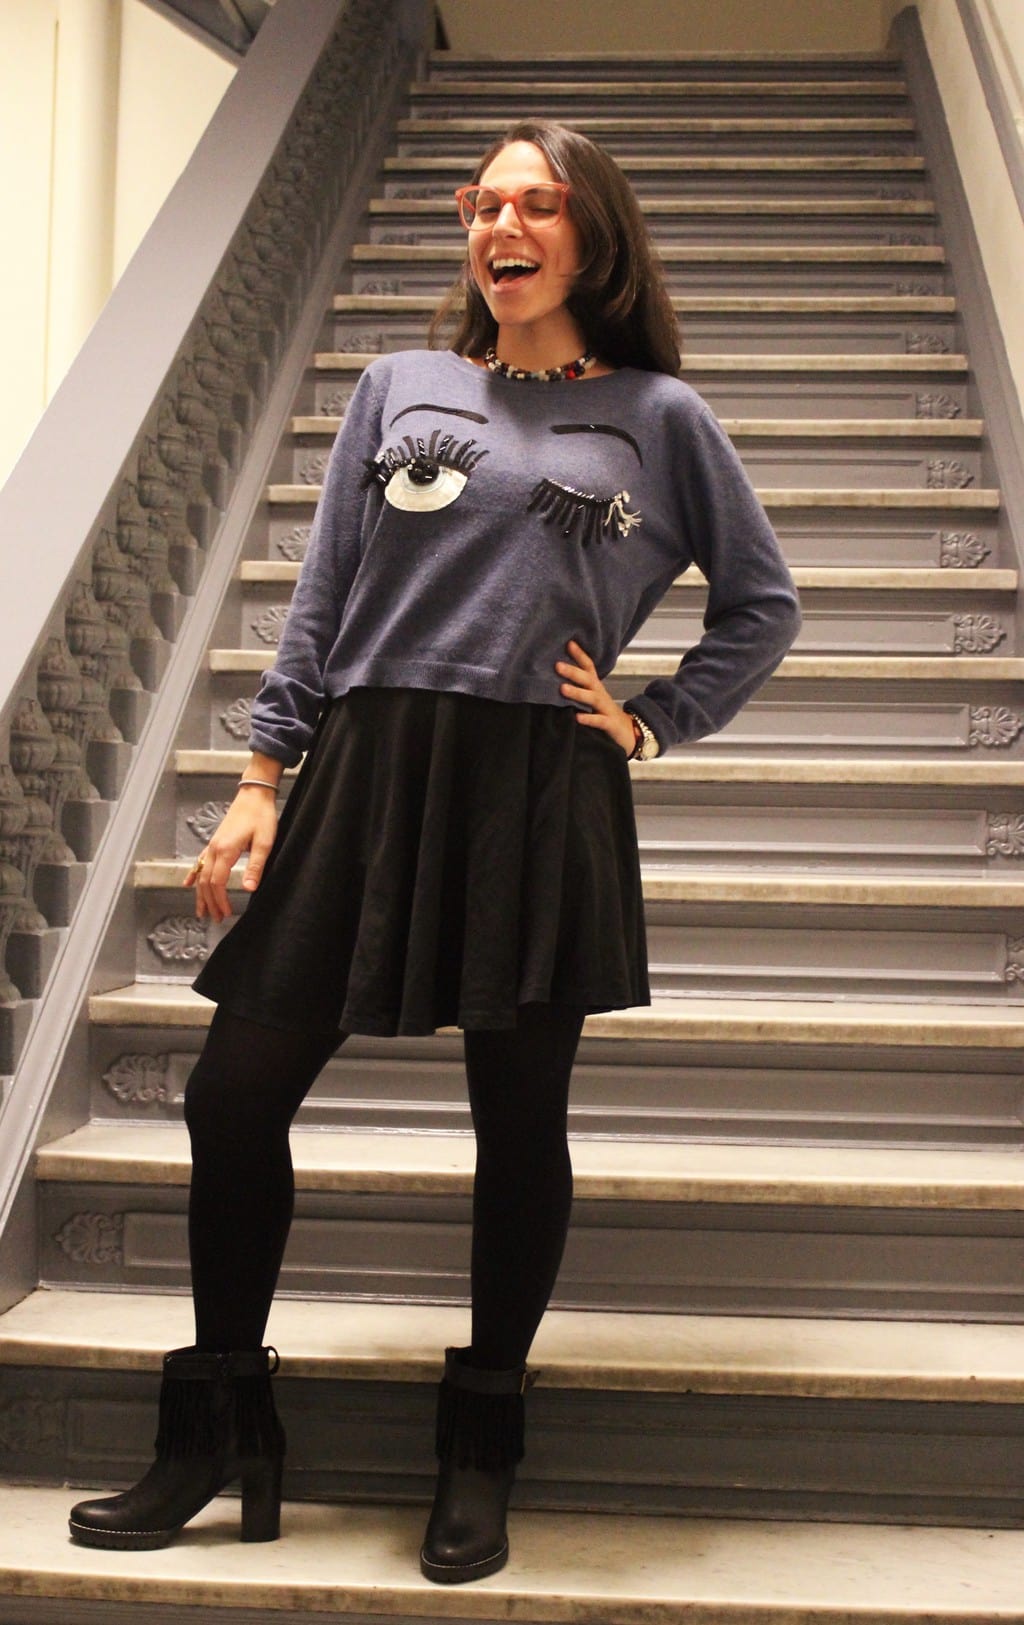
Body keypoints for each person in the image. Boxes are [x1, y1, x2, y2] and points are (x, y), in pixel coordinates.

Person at [68, 119, 800, 1582]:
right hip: (369, 764)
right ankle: (218, 1425)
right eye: (486, 203)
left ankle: (478, 1447)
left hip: (539, 784)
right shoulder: (404, 385)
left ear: (595, 234)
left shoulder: (661, 417)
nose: (502, 225)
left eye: (538, 204)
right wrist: (264, 771)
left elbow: (762, 602)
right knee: (234, 1090)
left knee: (516, 1120)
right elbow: (328, 586)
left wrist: (650, 722)